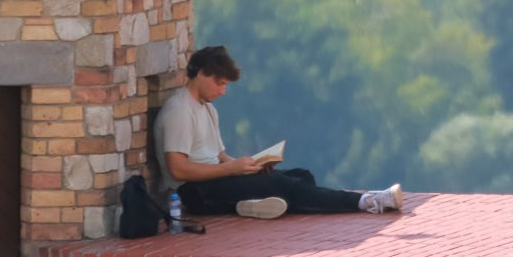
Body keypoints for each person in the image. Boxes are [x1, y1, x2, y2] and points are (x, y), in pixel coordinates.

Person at [155, 45, 404, 220]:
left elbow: (219, 156)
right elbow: (178, 169)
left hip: (215, 181)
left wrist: (251, 166)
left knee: (301, 176)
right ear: (201, 74)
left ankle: (253, 204)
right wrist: (231, 169)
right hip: (194, 193)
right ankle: (367, 201)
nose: (222, 91)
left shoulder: (207, 108)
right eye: (219, 84)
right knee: (282, 185)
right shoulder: (179, 111)